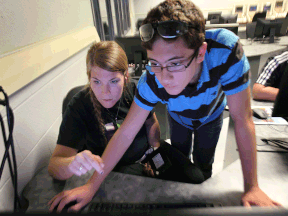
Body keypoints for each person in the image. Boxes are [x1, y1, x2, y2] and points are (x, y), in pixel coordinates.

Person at [47, 41, 161, 212]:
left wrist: (155, 151)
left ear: (126, 76)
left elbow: (152, 122)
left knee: (192, 178)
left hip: (145, 157)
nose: (105, 92)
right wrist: (71, 164)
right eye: (97, 81)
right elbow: (54, 167)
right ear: (89, 78)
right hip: (111, 170)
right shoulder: (80, 106)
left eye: (114, 81)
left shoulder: (136, 90)